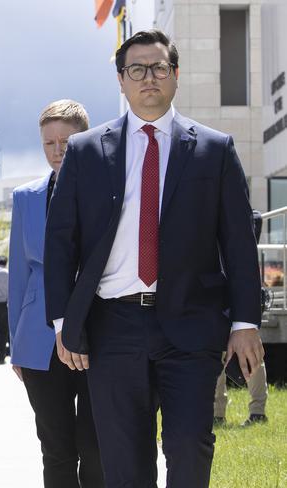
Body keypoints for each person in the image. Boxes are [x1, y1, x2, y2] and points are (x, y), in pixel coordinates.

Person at [44, 29, 264, 488]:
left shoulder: (213, 149)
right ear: (121, 81)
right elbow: (61, 240)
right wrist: (63, 322)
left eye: (159, 68)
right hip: (112, 327)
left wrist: (245, 322)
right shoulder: (86, 151)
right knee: (124, 464)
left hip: (191, 324)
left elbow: (239, 242)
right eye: (136, 69)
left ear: (175, 76)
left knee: (189, 449)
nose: (149, 77)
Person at [9, 99, 103, 488]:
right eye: (49, 143)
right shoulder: (26, 197)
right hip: (38, 339)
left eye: (67, 140)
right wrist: (17, 344)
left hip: (97, 333)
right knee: (55, 447)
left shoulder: (109, 191)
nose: (58, 150)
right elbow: (19, 275)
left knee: (96, 445)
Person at [213, 209, 269, 427]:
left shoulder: (243, 217)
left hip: (241, 298)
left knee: (252, 354)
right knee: (216, 354)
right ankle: (218, 412)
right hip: (217, 297)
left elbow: (255, 219)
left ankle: (257, 411)